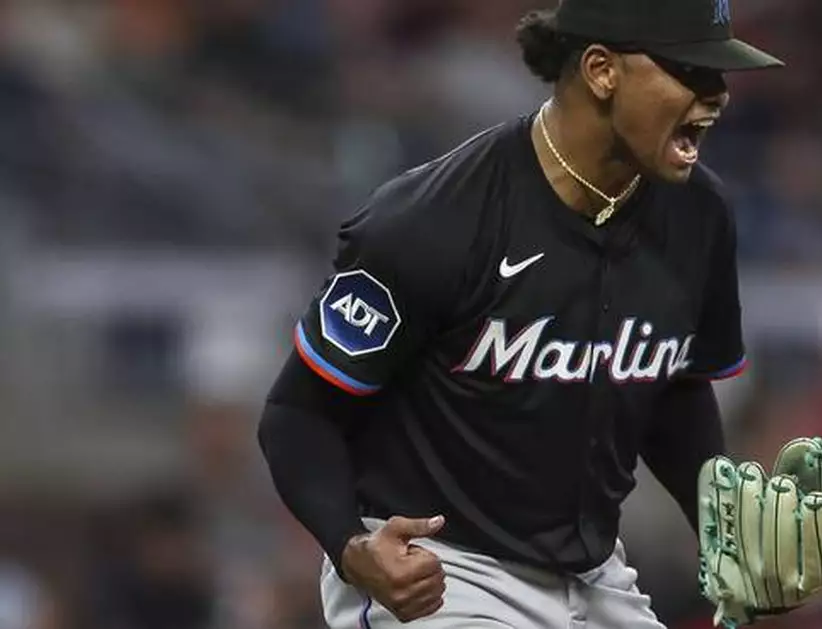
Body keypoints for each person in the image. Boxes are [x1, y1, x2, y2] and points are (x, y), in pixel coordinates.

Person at [256, 0, 784, 627]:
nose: (717, 95)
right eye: (690, 71)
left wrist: (727, 529)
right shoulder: (434, 220)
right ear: (602, 70)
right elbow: (297, 414)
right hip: (442, 573)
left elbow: (671, 387)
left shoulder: (698, 214)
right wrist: (349, 548)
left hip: (594, 576)